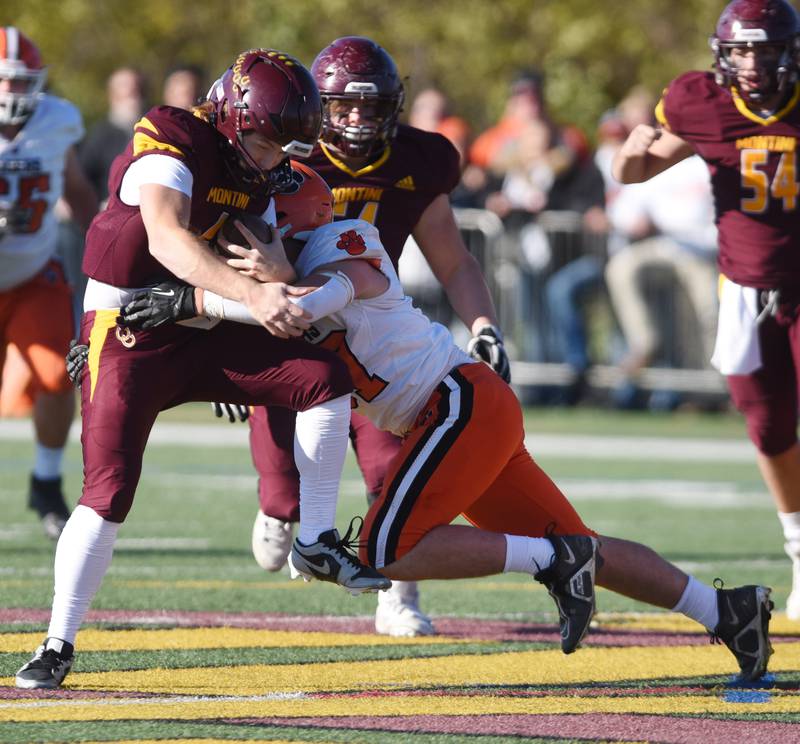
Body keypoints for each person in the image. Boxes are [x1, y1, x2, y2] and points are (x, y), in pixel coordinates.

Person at [120, 163, 774, 684]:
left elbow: (314, 299)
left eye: (255, 233)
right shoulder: (282, 276)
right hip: (457, 417)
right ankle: (728, 610)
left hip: (458, 404)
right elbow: (262, 331)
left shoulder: (345, 245)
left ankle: (556, 559)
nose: (241, 251)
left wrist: (208, 296)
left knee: (386, 550)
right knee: (585, 548)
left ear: (287, 227)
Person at [14, 47, 392, 691]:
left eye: (285, 146)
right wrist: (251, 297)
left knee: (322, 381)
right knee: (107, 494)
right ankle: (58, 641)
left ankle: (318, 534)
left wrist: (267, 289)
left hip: (203, 324)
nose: (276, 158)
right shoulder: (174, 137)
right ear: (234, 115)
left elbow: (269, 269)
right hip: (129, 330)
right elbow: (164, 238)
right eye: (268, 141)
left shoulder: (260, 171)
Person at [247, 36, 509, 638]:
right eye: (343, 107)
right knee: (284, 492)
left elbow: (454, 260)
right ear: (317, 106)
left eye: (371, 106)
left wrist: (485, 326)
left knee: (392, 467)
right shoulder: (278, 152)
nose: (359, 120)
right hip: (286, 327)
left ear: (395, 104)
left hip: (368, 331)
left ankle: (398, 596)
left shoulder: (417, 158)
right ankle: (278, 507)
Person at [612, 0, 800, 620]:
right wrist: (631, 152)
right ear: (723, 54)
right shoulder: (703, 102)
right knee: (768, 429)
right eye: (742, 49)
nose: (753, 61)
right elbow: (636, 170)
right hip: (745, 291)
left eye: (766, 48)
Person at [0, 27, 98, 539]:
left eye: (22, 82)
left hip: (34, 270)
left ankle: (45, 481)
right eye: (4, 82)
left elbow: (77, 188)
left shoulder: (57, 119)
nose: (14, 93)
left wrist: (113, 236)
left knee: (59, 376)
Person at [79, 67, 146, 204]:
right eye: (126, 90)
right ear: (112, 96)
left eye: (137, 90)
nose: (133, 94)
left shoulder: (155, 130)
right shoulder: (100, 134)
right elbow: (83, 178)